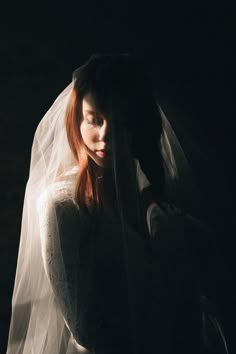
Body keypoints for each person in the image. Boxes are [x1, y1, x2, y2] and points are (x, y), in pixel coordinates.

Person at [7, 54, 224, 354]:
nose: (105, 136)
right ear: (77, 119)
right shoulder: (61, 206)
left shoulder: (154, 195)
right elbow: (84, 330)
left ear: (138, 125)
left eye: (122, 122)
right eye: (94, 120)